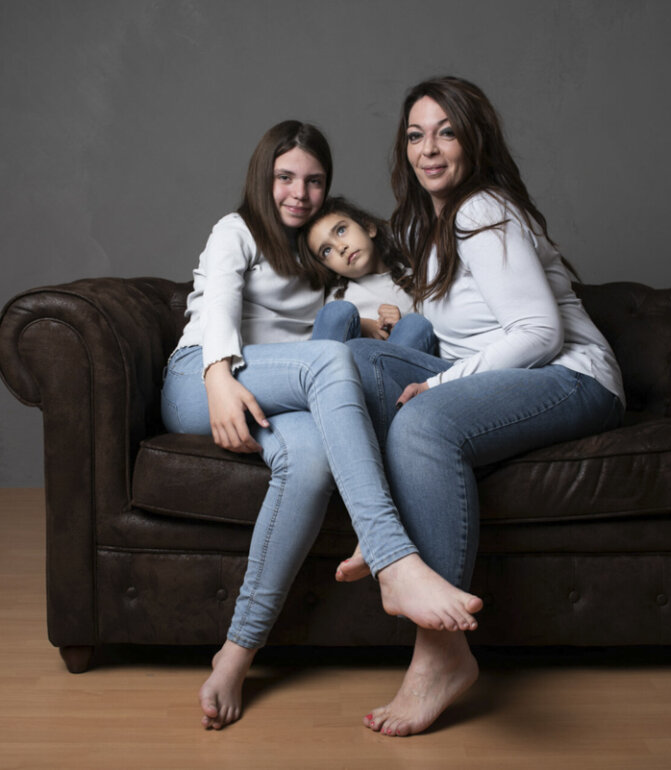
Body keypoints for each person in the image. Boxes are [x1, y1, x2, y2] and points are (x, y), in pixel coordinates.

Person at [160, 119, 482, 731]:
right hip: (202, 379)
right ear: (264, 177)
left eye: (313, 181)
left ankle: (236, 652)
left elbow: (335, 326)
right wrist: (218, 375)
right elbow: (221, 306)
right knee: (332, 361)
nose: (298, 194)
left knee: (309, 462)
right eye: (285, 178)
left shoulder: (317, 256)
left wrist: (375, 323)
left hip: (280, 393)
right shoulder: (237, 232)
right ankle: (393, 558)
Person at [342, 76, 626, 737]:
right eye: (416, 134)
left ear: (474, 140)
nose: (429, 149)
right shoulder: (425, 221)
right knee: (349, 365)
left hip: (573, 377)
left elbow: (538, 334)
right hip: (510, 375)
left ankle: (441, 655)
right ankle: (383, 529)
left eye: (446, 132)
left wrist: (439, 388)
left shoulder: (482, 210)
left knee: (422, 425)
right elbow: (454, 333)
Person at [301, 195, 436, 353]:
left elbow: (428, 336)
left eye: (341, 230)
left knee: (415, 325)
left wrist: (399, 324)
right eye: (327, 251)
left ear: (368, 227)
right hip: (352, 371)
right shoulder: (336, 297)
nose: (340, 247)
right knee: (337, 312)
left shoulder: (415, 280)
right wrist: (362, 325)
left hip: (399, 367)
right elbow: (331, 331)